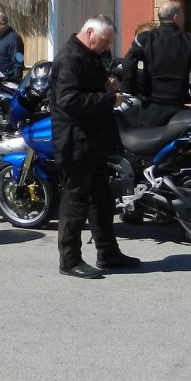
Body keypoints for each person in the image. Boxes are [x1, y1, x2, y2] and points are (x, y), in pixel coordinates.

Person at [52, 16, 140, 279]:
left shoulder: (90, 55)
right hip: (75, 141)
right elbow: (69, 99)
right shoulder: (70, 58)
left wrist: (109, 83)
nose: (106, 47)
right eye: (104, 41)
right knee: (75, 202)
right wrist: (108, 99)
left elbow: (93, 86)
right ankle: (69, 260)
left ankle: (108, 253)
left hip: (94, 141)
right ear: (89, 32)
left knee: (102, 200)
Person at [122, 1, 191, 125]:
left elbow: (128, 63)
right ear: (175, 18)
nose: (184, 20)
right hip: (178, 108)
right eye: (182, 16)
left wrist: (132, 90)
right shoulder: (190, 40)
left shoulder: (145, 39)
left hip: (150, 108)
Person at [0, 12, 25, 81]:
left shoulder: (14, 39)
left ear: (3, 24)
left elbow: (19, 61)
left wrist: (14, 78)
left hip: (7, 82)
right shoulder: (0, 38)